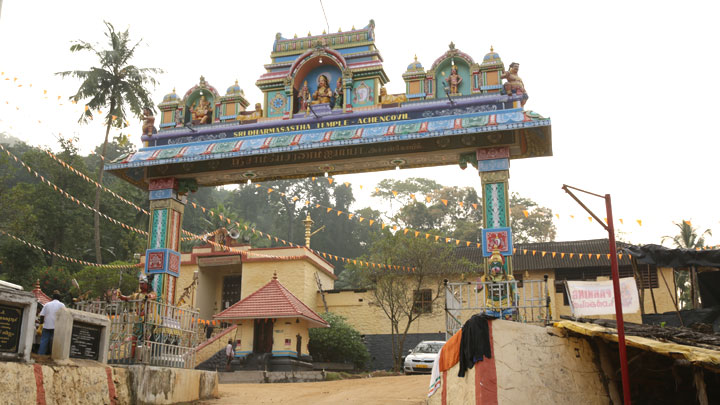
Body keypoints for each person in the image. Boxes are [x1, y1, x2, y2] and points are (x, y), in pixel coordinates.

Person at [37, 291, 65, 355]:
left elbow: (42, 315)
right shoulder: (62, 305)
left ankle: (40, 355)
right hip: (56, 327)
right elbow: (64, 316)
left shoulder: (47, 304)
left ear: (52, 298)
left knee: (44, 341)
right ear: (59, 298)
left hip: (47, 326)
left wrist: (41, 323)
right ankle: (53, 355)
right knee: (54, 342)